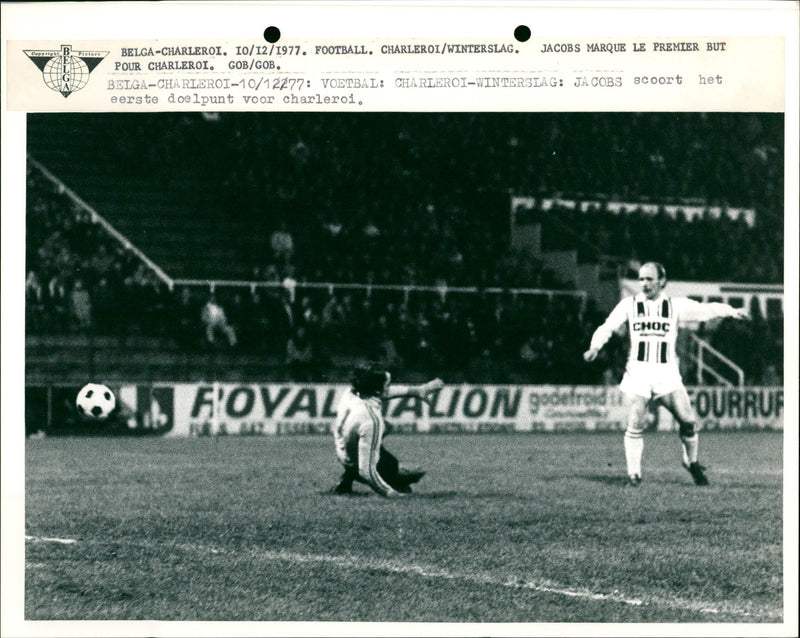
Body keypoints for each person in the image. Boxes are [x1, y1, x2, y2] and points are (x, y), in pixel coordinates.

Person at [583, 262, 749, 487]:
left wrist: (733, 312)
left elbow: (705, 309)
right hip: (638, 373)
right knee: (636, 419)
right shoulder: (628, 305)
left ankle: (691, 462)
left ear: (662, 281)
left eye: (649, 279)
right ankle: (634, 475)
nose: (644, 284)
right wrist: (595, 346)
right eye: (641, 279)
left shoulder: (674, 305)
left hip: (667, 375)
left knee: (689, 422)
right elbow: (608, 326)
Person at [331, 363, 444, 497]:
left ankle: (347, 480)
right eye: (387, 385)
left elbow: (382, 392)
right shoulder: (370, 420)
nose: (389, 388)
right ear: (378, 390)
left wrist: (418, 391)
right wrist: (391, 493)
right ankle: (394, 481)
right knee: (410, 474)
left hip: (343, 450)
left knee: (386, 427)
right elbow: (366, 471)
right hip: (354, 463)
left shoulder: (351, 393)